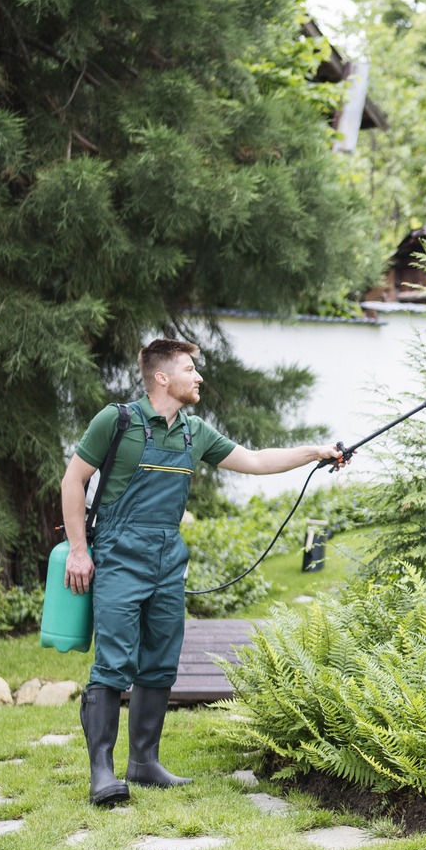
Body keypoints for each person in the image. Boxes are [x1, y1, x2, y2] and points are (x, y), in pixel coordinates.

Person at [57, 338, 348, 805]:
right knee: (113, 661)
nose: (198, 377)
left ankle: (145, 763)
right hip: (117, 552)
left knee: (160, 658)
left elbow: (254, 460)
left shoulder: (195, 433)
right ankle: (102, 773)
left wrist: (315, 452)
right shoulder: (118, 421)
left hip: (168, 557)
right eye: (190, 369)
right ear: (162, 377)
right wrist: (78, 550)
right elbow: (73, 480)